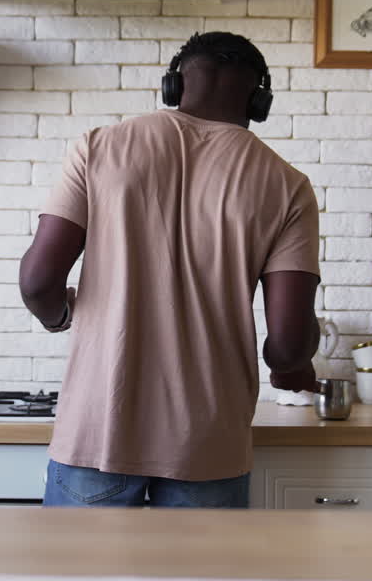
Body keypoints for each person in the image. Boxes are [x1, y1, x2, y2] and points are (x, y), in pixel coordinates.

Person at [18, 31, 322, 509]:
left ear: (173, 86)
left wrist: (60, 316)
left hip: (97, 430)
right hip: (207, 444)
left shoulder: (98, 148)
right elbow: (286, 343)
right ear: (260, 99)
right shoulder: (287, 185)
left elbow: (37, 282)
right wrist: (294, 366)